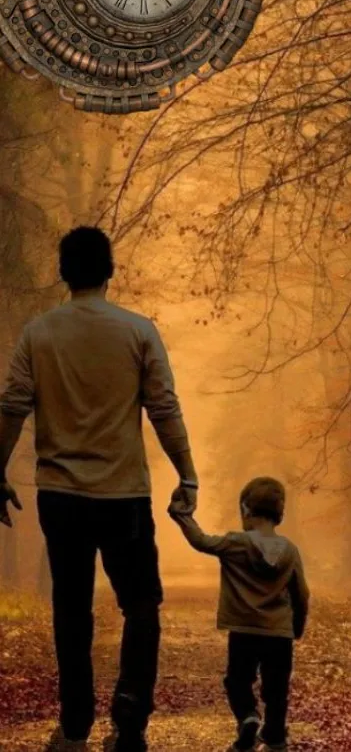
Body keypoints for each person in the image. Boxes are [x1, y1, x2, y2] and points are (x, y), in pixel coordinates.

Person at [0, 226, 199, 752]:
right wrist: (187, 474)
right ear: (110, 271)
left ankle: (74, 724)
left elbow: (13, 404)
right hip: (123, 496)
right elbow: (164, 407)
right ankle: (130, 720)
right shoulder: (137, 331)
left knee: (71, 607)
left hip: (61, 496)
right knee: (140, 604)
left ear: (63, 272)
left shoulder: (38, 334)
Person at [168, 476, 310, 752]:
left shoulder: (235, 543)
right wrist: (297, 626)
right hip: (279, 633)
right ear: (279, 512)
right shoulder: (290, 551)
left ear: (246, 509)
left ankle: (248, 717)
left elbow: (200, 541)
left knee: (238, 681)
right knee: (276, 689)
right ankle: (276, 737)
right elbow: (301, 594)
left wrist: (181, 515)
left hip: (244, 631)